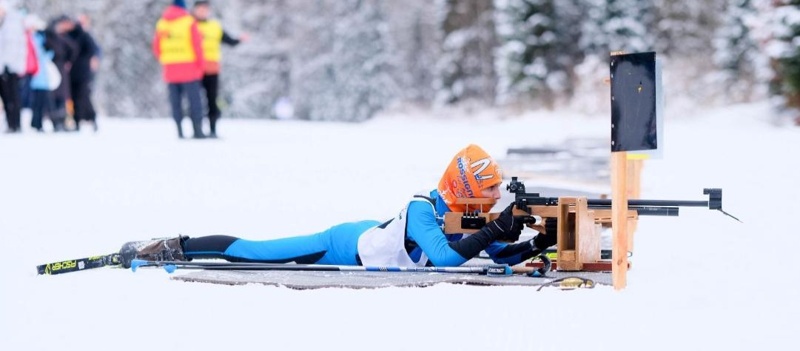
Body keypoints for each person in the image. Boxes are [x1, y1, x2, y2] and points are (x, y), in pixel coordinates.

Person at [118, 144, 558, 269]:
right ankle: (172, 245)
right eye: (488, 194)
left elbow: (499, 255)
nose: (493, 203)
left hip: (373, 233)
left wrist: (541, 242)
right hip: (345, 243)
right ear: (465, 188)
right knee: (255, 250)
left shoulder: (466, 214)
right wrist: (497, 228)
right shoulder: (424, 208)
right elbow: (444, 259)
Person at [191, 0, 248, 138]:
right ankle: (197, 130)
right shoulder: (189, 25)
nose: (203, 11)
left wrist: (239, 39)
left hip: (212, 69)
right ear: (195, 10)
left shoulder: (214, 26)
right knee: (195, 101)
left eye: (205, 9)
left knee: (212, 100)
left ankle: (212, 130)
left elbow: (229, 41)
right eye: (200, 9)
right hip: (194, 69)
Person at [153, 0, 206, 139]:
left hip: (170, 68)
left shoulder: (162, 23)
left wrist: (167, 59)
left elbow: (157, 48)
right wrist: (201, 65)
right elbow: (197, 46)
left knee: (175, 102)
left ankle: (180, 131)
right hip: (189, 67)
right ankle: (197, 131)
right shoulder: (189, 21)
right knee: (194, 101)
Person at [54, 15, 99, 132]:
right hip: (74, 73)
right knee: (76, 97)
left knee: (82, 96)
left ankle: (88, 118)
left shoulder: (82, 35)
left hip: (81, 72)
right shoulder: (67, 35)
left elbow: (92, 50)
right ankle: (79, 120)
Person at [0, 0, 27, 133]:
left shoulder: (12, 25)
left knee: (13, 96)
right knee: (5, 97)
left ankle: (16, 124)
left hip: (12, 67)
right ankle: (10, 123)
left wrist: (18, 65)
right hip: (1, 67)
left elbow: (20, 48)